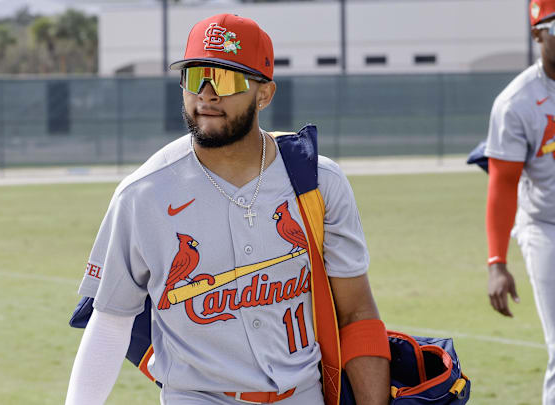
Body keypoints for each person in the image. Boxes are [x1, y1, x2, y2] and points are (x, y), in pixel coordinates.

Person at [65, 13, 390, 405]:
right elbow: (111, 320)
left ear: (265, 94)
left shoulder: (318, 181)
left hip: (304, 394)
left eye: (226, 78)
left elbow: (356, 313)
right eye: (194, 76)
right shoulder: (143, 194)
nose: (206, 93)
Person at [485, 1, 555, 404]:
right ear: (537, 35)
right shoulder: (517, 102)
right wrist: (497, 263)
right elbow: (503, 185)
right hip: (545, 227)